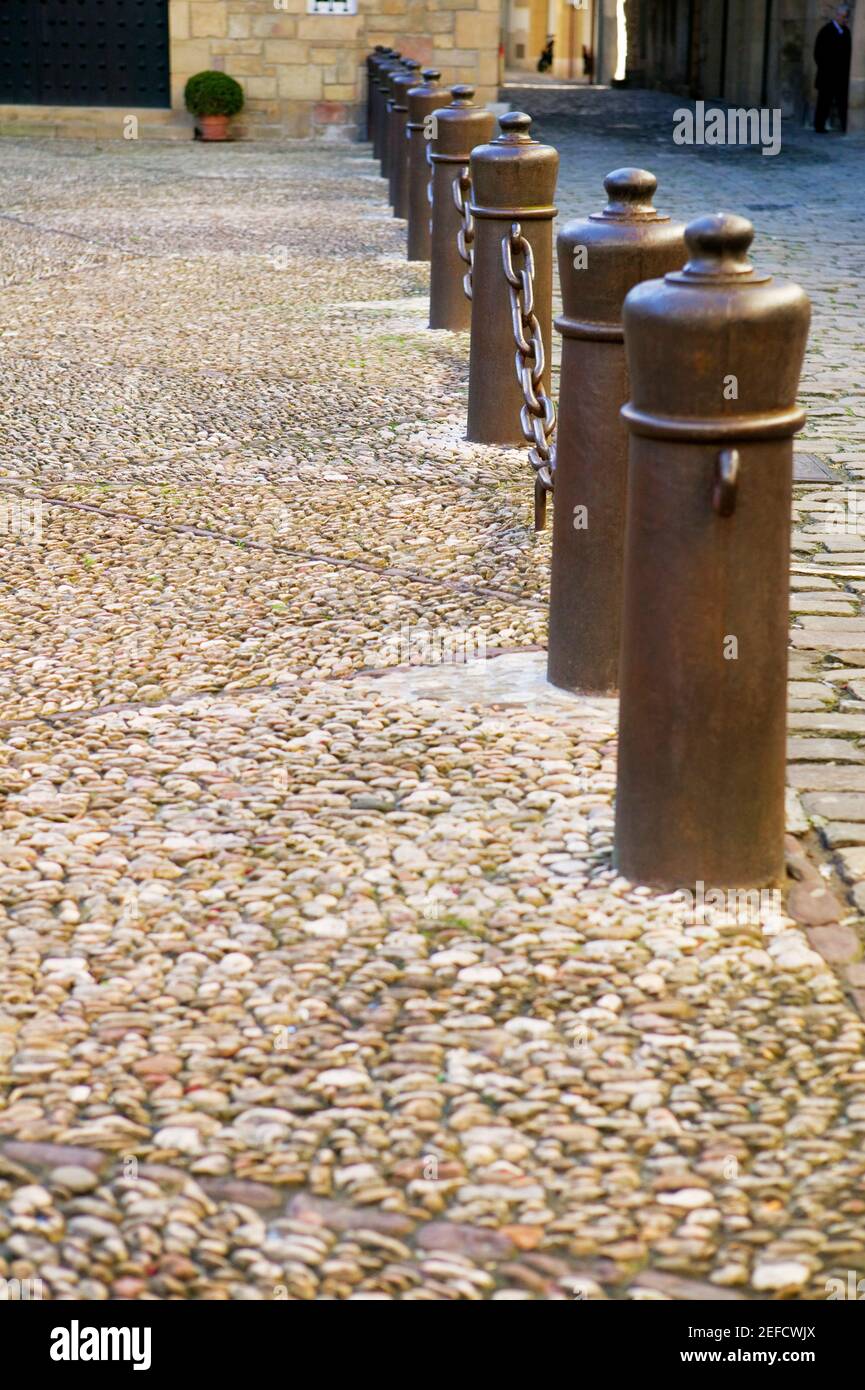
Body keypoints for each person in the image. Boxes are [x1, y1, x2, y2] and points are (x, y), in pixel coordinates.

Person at [814, 5, 853, 132]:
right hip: (827, 74)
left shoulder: (846, 32)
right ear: (837, 15)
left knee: (843, 102)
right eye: (843, 17)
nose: (845, 20)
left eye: (846, 17)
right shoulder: (826, 31)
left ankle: (845, 126)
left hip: (842, 75)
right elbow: (818, 53)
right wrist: (826, 68)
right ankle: (819, 125)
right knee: (824, 101)